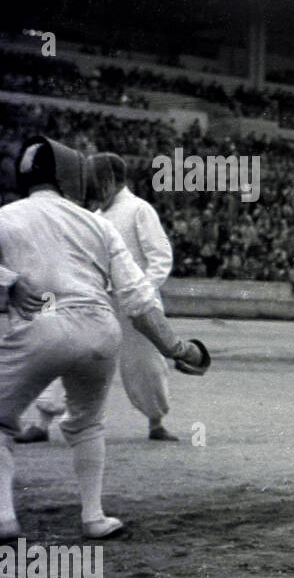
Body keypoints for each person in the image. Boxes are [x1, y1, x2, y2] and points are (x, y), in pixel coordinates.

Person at [0, 137, 209, 541]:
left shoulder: (7, 216)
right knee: (88, 424)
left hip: (42, 322)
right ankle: (93, 517)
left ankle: (5, 518)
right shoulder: (97, 222)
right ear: (68, 176)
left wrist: (8, 282)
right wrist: (179, 349)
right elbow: (138, 299)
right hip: (100, 326)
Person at [14, 153, 180, 443]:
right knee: (69, 353)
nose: (91, 190)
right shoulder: (94, 218)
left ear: (113, 180)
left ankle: (156, 421)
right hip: (97, 302)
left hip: (135, 304)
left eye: (96, 183)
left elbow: (161, 257)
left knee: (145, 364)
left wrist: (142, 292)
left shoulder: (140, 210)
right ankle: (42, 421)